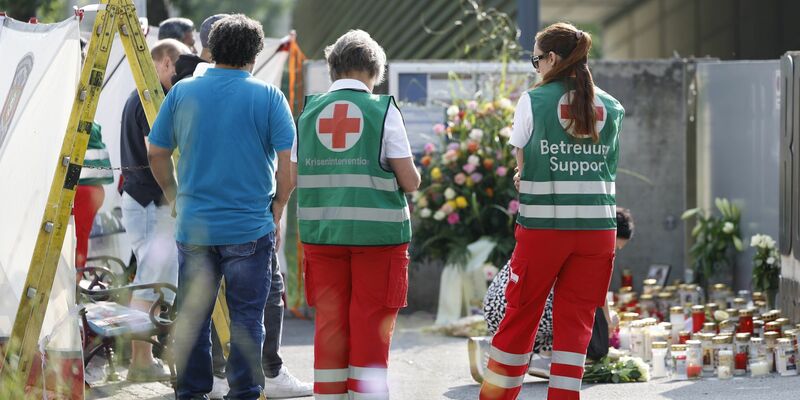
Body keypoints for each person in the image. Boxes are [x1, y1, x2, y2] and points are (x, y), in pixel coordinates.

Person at [147, 15, 295, 400]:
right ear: (255, 54)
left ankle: (191, 392)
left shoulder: (181, 93)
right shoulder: (269, 97)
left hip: (195, 226)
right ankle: (243, 392)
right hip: (250, 226)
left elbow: (157, 151)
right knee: (248, 317)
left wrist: (173, 192)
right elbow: (288, 166)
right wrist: (277, 207)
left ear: (210, 48)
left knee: (193, 316)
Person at [479, 22, 625, 400]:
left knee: (520, 315)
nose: (536, 68)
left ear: (553, 59)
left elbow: (523, 171)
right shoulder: (612, 107)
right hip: (597, 234)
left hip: (545, 230)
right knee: (575, 323)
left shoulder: (534, 101)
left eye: (536, 61)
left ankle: (496, 397)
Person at [293, 29, 420, 400]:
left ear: (333, 69)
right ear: (375, 70)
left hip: (321, 236)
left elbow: (293, 174)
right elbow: (409, 180)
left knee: (331, 326)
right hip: (377, 239)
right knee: (370, 324)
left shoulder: (309, 111)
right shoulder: (382, 111)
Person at [482, 208, 635, 378]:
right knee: (585, 310)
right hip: (522, 307)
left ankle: (500, 349)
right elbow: (597, 291)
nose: (615, 250)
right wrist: (608, 320)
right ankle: (543, 359)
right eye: (616, 245)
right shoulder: (588, 245)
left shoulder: (561, 228)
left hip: (496, 306)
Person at [120, 38, 191, 382]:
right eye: (176, 67)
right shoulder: (148, 101)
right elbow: (156, 153)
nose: (179, 76)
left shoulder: (145, 96)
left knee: (157, 282)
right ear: (164, 63)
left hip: (146, 201)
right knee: (150, 283)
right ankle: (140, 362)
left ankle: (144, 359)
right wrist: (177, 195)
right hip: (150, 203)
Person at [74, 38, 114, 270]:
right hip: (91, 188)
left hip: (81, 188)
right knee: (78, 242)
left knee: (75, 244)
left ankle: (72, 288)